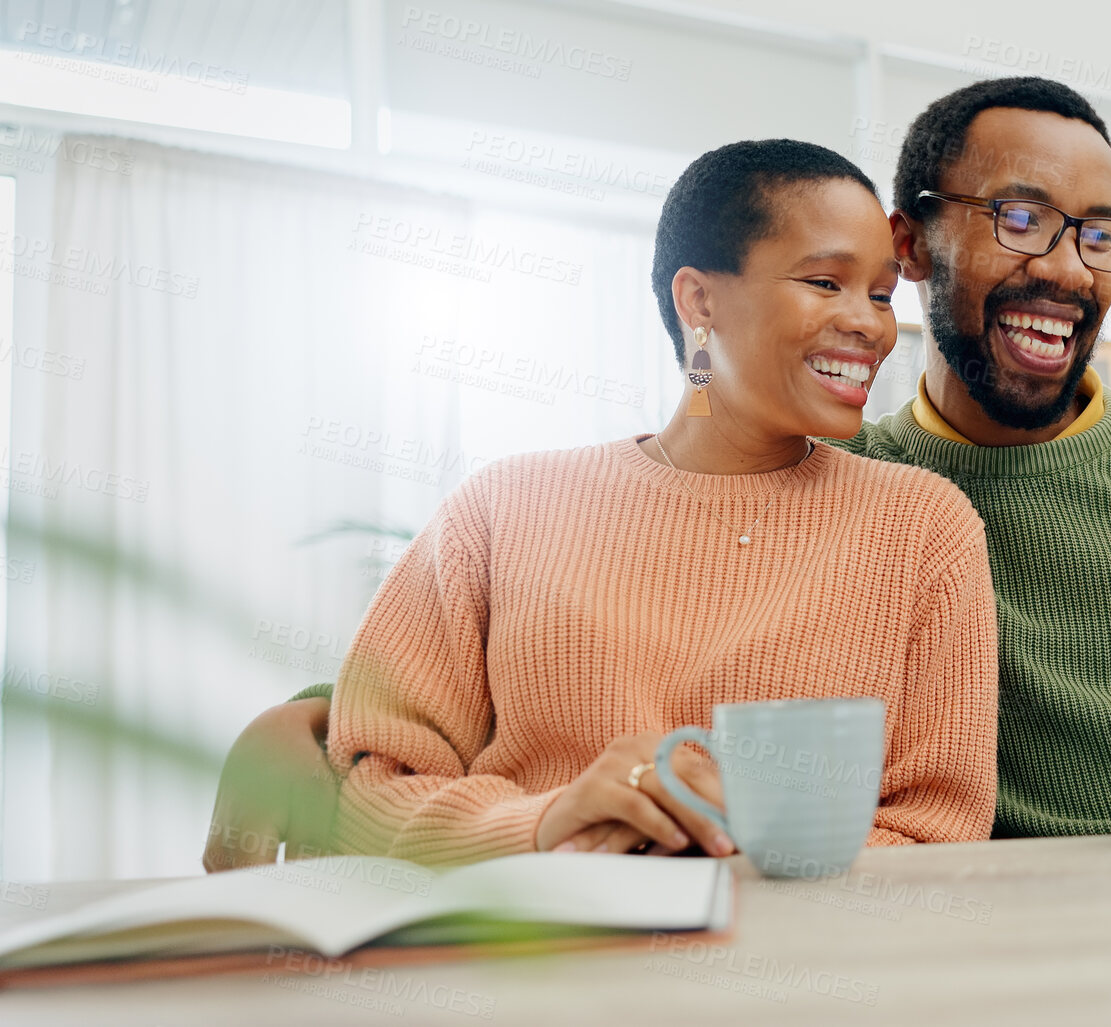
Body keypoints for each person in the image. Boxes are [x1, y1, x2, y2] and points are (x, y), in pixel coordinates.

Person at [207, 77, 1111, 868]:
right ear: (916, 247)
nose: (1068, 267)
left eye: (1097, 232)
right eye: (1020, 215)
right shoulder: (874, 491)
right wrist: (325, 716)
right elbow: (613, 603)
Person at [204, 139, 998, 869]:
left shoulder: (923, 527)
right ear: (700, 301)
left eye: (882, 294)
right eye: (825, 282)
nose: (867, 324)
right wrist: (547, 824)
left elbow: (937, 827)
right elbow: (376, 792)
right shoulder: (501, 506)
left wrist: (723, 859)